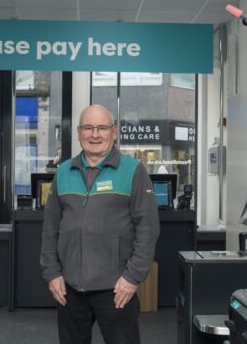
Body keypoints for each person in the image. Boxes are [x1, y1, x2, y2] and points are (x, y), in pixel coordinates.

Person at [41, 104, 160, 344]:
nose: (94, 134)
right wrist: (52, 273)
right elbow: (50, 228)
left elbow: (147, 229)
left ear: (113, 132)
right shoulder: (63, 172)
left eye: (102, 128)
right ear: (78, 132)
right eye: (88, 127)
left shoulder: (133, 171)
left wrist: (132, 278)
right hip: (69, 289)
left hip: (116, 289)